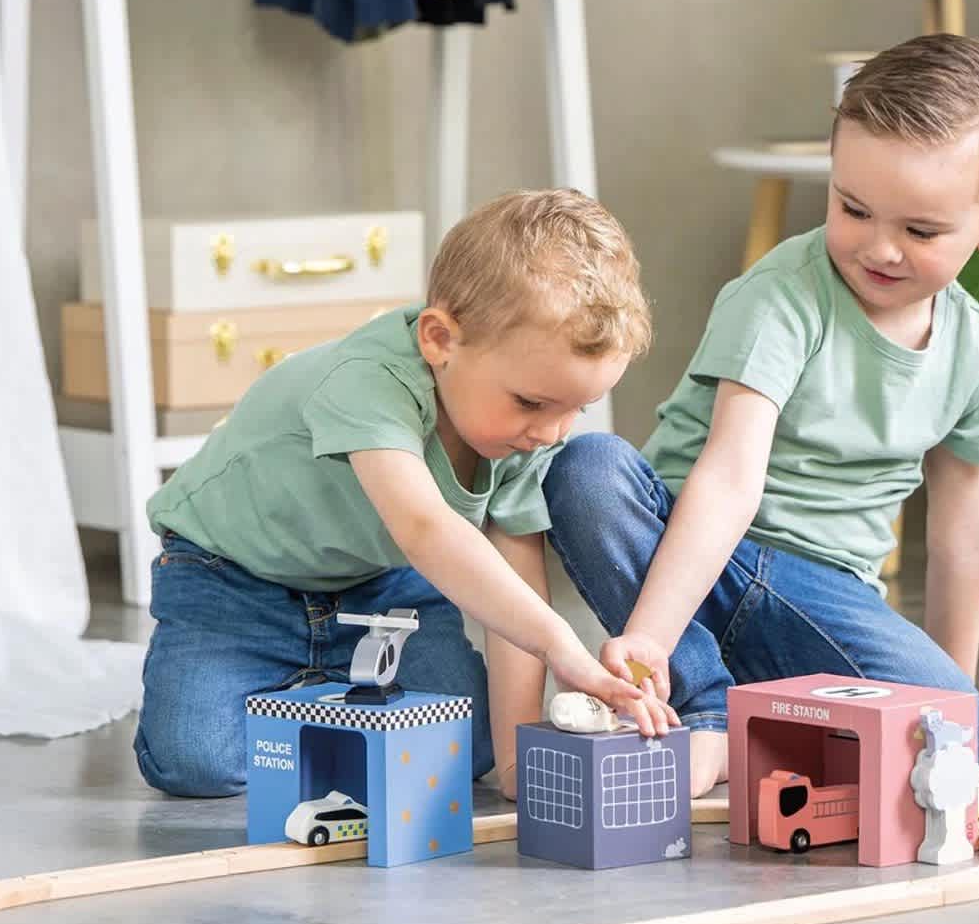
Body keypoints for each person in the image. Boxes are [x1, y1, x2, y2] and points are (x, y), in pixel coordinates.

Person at [543, 34, 979, 797]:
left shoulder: (972, 343)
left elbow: (964, 530)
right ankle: (703, 696)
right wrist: (651, 633)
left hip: (820, 594)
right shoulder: (782, 296)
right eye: (853, 208)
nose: (879, 247)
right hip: (688, 550)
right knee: (587, 469)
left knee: (951, 742)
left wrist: (950, 693)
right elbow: (729, 477)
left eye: (921, 231)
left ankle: (763, 710)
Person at [134, 188, 668, 801]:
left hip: (380, 587)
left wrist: (519, 756)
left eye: (578, 408)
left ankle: (317, 698)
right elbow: (424, 528)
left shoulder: (531, 427)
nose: (551, 432)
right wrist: (561, 644)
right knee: (193, 761)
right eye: (530, 403)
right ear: (440, 340)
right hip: (232, 579)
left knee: (470, 744)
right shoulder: (369, 380)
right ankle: (315, 699)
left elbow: (515, 569)